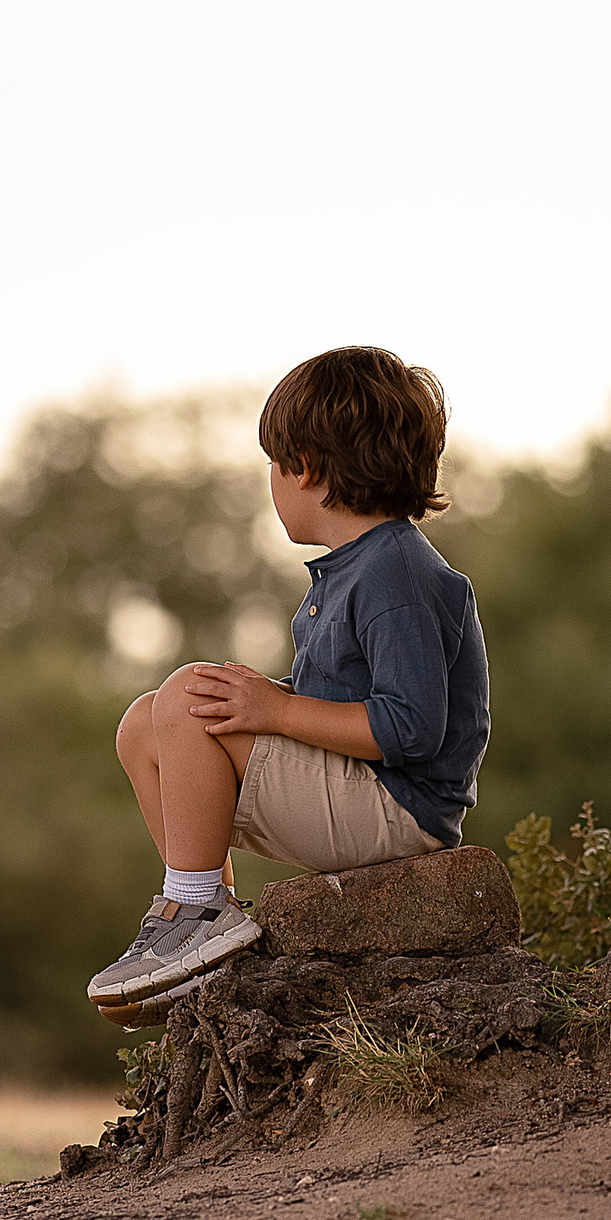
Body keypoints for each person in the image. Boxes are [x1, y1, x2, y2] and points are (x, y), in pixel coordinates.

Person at [85, 343, 491, 1015]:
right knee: (143, 722)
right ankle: (199, 912)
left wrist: (273, 710)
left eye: (274, 465)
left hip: (397, 811)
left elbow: (412, 729)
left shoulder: (395, 571)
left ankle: (197, 914)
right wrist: (267, 707)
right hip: (356, 794)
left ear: (305, 470)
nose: (271, 481)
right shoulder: (358, 566)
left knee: (188, 695)